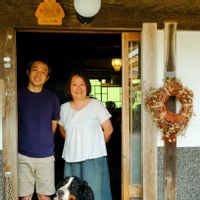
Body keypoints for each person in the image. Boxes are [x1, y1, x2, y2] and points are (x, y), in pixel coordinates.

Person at [58, 71, 113, 200]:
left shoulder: (96, 105)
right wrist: (76, 144)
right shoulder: (64, 108)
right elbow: (62, 130)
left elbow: (108, 130)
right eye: (74, 84)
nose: (79, 88)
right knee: (71, 193)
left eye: (82, 84)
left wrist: (94, 146)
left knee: (94, 193)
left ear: (87, 87)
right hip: (72, 158)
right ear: (69, 88)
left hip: (93, 158)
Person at [18, 58, 60, 200]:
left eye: (43, 72)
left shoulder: (52, 98)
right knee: (25, 196)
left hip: (46, 156)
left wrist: (43, 141)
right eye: (35, 70)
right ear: (28, 72)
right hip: (22, 155)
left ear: (47, 77)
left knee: (44, 196)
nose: (39, 74)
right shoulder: (17, 95)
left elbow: (53, 125)